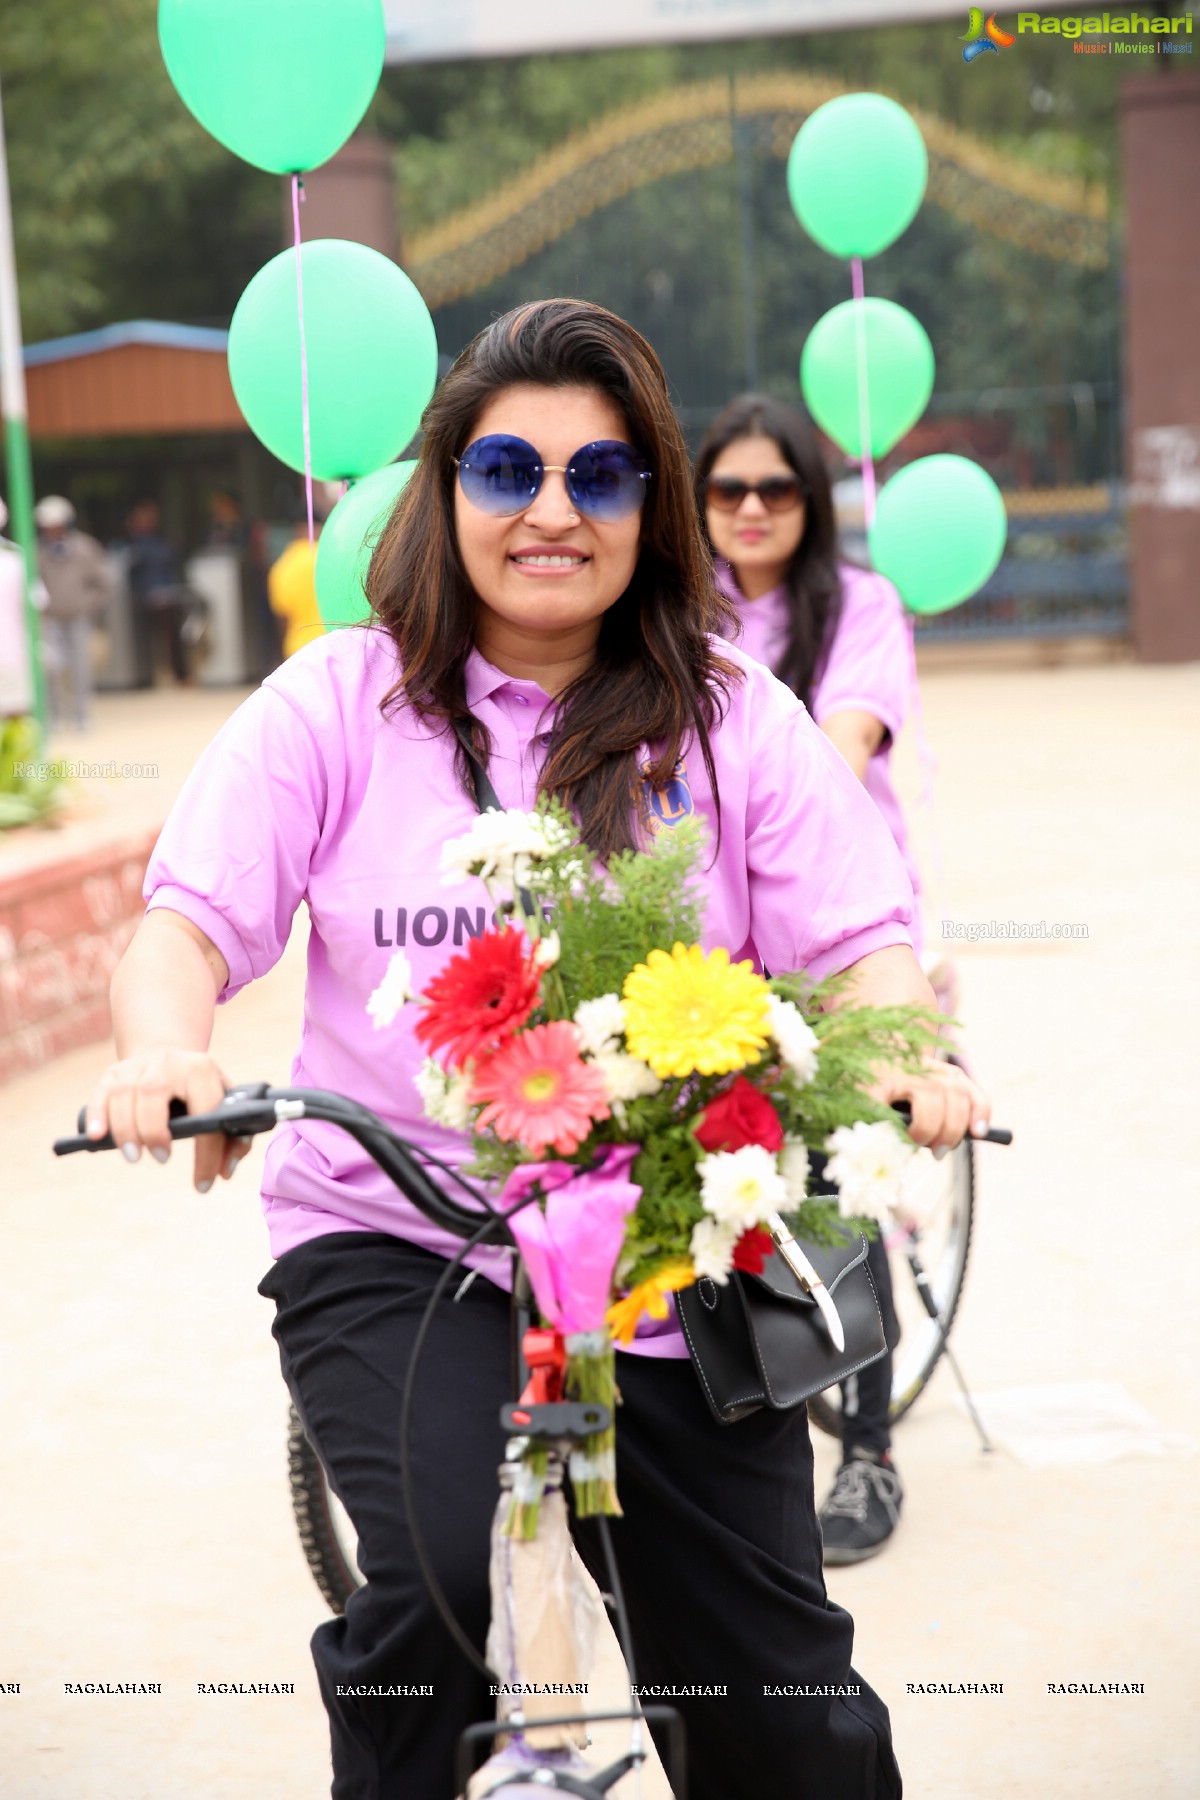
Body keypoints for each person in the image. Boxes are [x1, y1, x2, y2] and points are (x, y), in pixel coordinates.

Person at [86, 300, 991, 1800]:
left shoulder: (734, 721)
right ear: (446, 490)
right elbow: (183, 930)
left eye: (603, 476)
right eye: (508, 471)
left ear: (653, 504)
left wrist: (897, 1053)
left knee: (780, 1703)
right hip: (400, 1240)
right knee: (431, 1596)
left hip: (685, 1245)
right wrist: (164, 1057)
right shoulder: (335, 702)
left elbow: (857, 944)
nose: (553, 511)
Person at [696, 393, 927, 1568]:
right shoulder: (674, 612)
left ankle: (869, 1454)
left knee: (838, 1183)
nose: (748, 509)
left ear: (809, 502)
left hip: (835, 927)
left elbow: (838, 752)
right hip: (712, 930)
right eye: (726, 489)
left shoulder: (861, 609)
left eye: (774, 489)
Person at [34, 495, 115, 731]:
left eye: (57, 525)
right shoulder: (36, 551)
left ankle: (81, 716)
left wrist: (88, 604)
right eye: (48, 526)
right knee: (51, 667)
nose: (53, 531)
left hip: (79, 617)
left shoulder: (85, 548)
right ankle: (55, 716)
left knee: (81, 667)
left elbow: (106, 583)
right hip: (49, 619)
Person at [125, 499, 192, 686]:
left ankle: (178, 675)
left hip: (166, 594)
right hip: (152, 595)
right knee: (163, 638)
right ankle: (170, 675)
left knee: (172, 637)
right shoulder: (137, 544)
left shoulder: (157, 539)